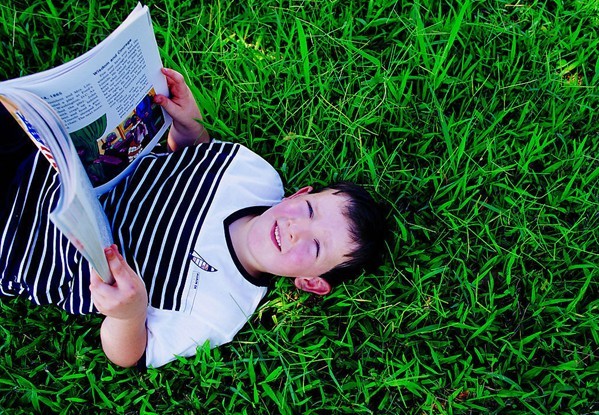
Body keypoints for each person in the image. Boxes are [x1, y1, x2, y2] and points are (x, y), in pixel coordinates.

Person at [0, 68, 387, 368]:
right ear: (300, 194)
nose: (294, 228)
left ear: (312, 283)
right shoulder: (253, 175)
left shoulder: (222, 310)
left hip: (21, 245)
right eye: (307, 211)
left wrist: (129, 315)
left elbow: (131, 355)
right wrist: (189, 125)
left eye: (315, 246)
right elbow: (193, 160)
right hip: (44, 155)